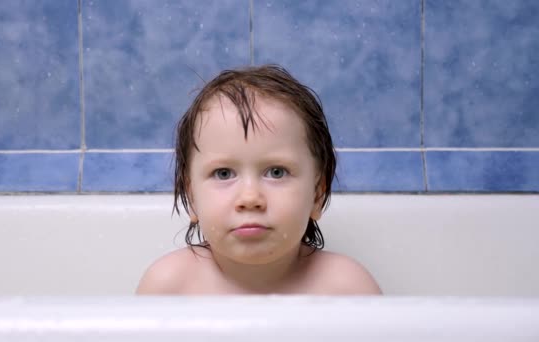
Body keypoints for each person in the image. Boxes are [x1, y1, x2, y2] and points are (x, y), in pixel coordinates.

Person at [136, 64, 381, 295]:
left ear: (317, 194)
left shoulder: (347, 289)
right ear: (191, 198)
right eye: (224, 173)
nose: (250, 198)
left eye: (276, 172)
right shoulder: (170, 287)